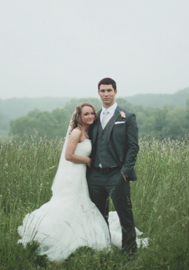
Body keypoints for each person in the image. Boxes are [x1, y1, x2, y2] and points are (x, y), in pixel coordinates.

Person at [17, 103, 111, 262]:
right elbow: (68, 156)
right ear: (79, 116)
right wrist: (88, 160)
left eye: (92, 114)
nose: (90, 117)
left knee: (80, 204)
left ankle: (81, 233)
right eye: (86, 114)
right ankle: (54, 234)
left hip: (82, 174)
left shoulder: (89, 132)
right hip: (73, 173)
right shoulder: (76, 132)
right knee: (69, 202)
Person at [88, 77, 140, 257]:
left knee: (124, 215)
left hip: (117, 174)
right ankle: (103, 250)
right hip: (95, 176)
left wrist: (124, 173)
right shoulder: (92, 117)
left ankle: (130, 254)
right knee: (99, 217)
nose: (106, 94)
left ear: (115, 92)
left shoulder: (127, 116)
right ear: (98, 93)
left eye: (109, 90)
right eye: (102, 91)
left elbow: (133, 147)